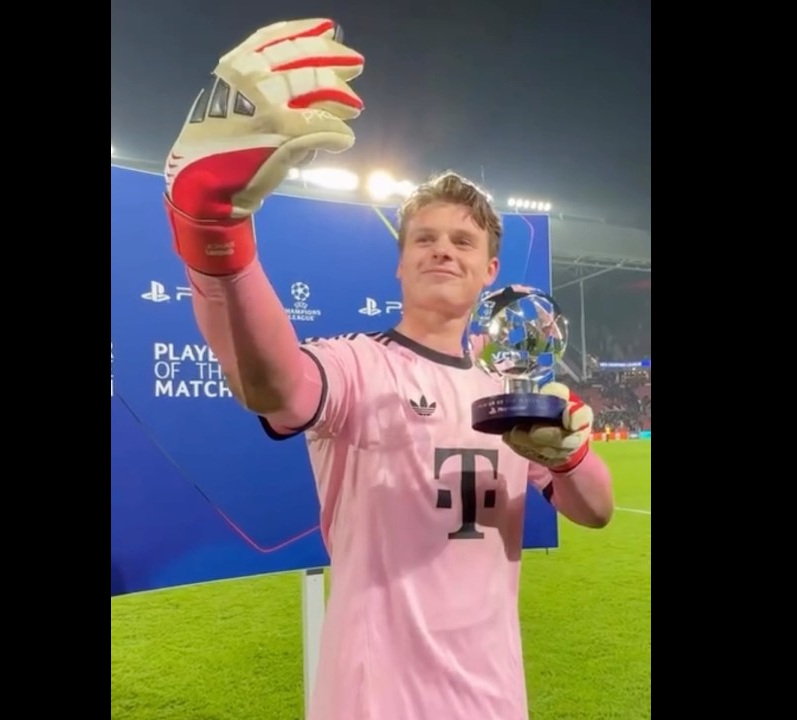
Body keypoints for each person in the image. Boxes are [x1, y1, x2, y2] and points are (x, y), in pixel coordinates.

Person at [161, 18, 615, 720]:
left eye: (463, 241)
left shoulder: (510, 396)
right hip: (374, 703)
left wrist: (569, 454)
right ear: (399, 262)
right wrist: (214, 228)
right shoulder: (358, 367)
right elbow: (273, 382)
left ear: (490, 269)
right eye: (425, 238)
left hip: (495, 703)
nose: (444, 251)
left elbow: (596, 511)